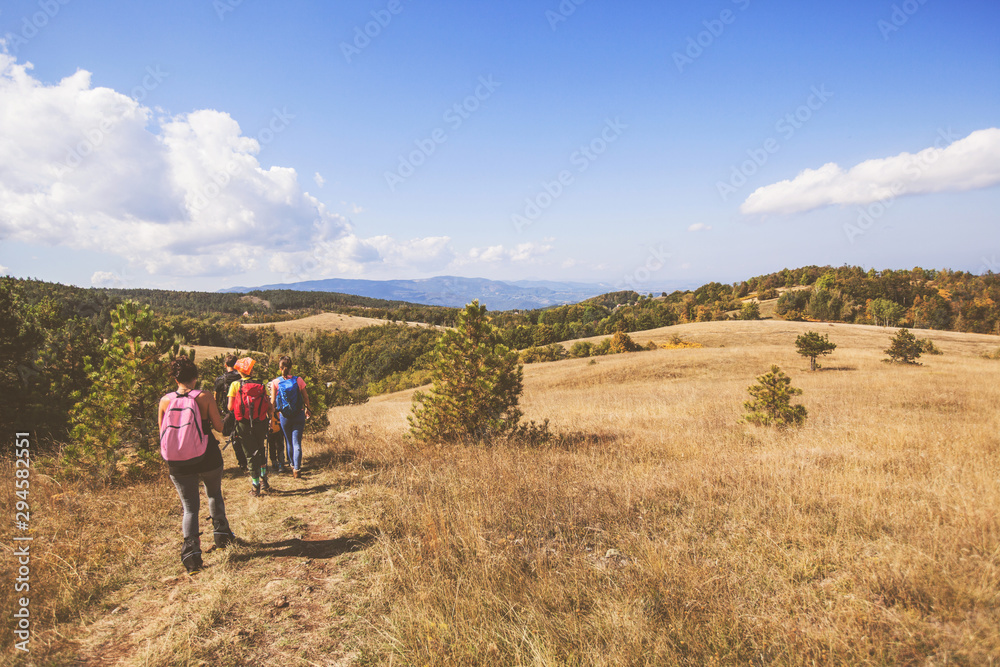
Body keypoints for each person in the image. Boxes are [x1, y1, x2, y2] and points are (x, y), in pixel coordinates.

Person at [158, 355, 237, 574]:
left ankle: (192, 554)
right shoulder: (204, 396)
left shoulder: (165, 401)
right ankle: (222, 535)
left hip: (178, 463)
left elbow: (162, 433)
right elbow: (220, 427)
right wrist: (229, 417)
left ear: (176, 378)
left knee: (189, 507)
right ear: (195, 376)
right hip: (207, 456)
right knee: (213, 494)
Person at [228, 357, 273, 497]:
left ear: (240, 371)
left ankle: (255, 486)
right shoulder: (261, 384)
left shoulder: (235, 385)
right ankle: (264, 479)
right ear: (251, 370)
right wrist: (270, 418)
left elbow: (230, 407)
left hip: (243, 424)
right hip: (260, 422)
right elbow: (269, 405)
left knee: (250, 454)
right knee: (260, 449)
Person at [269, 355, 311, 479]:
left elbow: (272, 402)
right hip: (299, 415)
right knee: (297, 442)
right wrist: (308, 409)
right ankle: (297, 469)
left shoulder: (275, 382)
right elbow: (306, 397)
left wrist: (271, 416)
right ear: (291, 367)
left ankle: (292, 464)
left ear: (280, 367)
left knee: (289, 442)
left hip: (284, 416)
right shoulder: (299, 380)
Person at [214, 354, 248, 471]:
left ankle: (242, 462)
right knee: (245, 434)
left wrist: (218, 410)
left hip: (230, 410)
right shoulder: (242, 376)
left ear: (225, 365)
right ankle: (249, 458)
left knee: (234, 437)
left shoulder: (220, 380)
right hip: (244, 410)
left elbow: (215, 398)